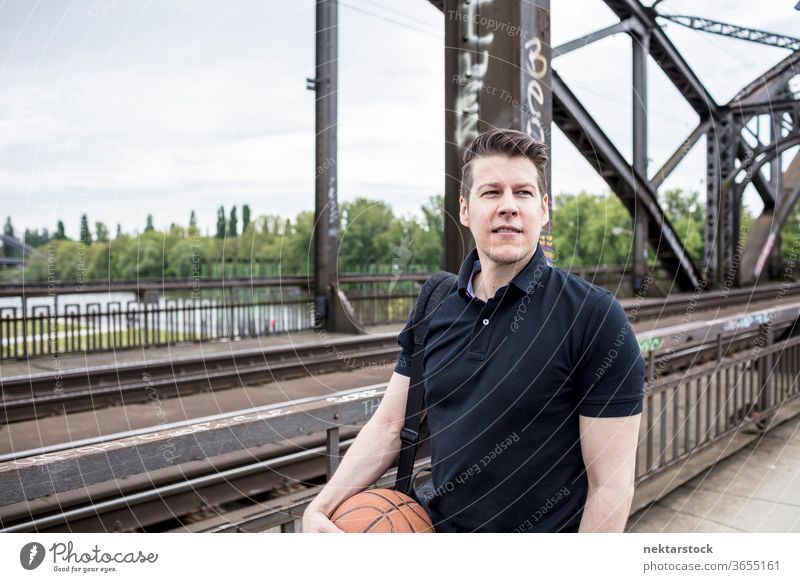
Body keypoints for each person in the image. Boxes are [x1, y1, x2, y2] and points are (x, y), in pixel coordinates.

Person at [302, 128, 644, 533]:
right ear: (465, 210)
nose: (508, 207)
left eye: (523, 192)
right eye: (491, 192)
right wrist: (319, 508)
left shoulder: (594, 317)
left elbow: (611, 487)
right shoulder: (435, 303)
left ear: (544, 209)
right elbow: (389, 425)